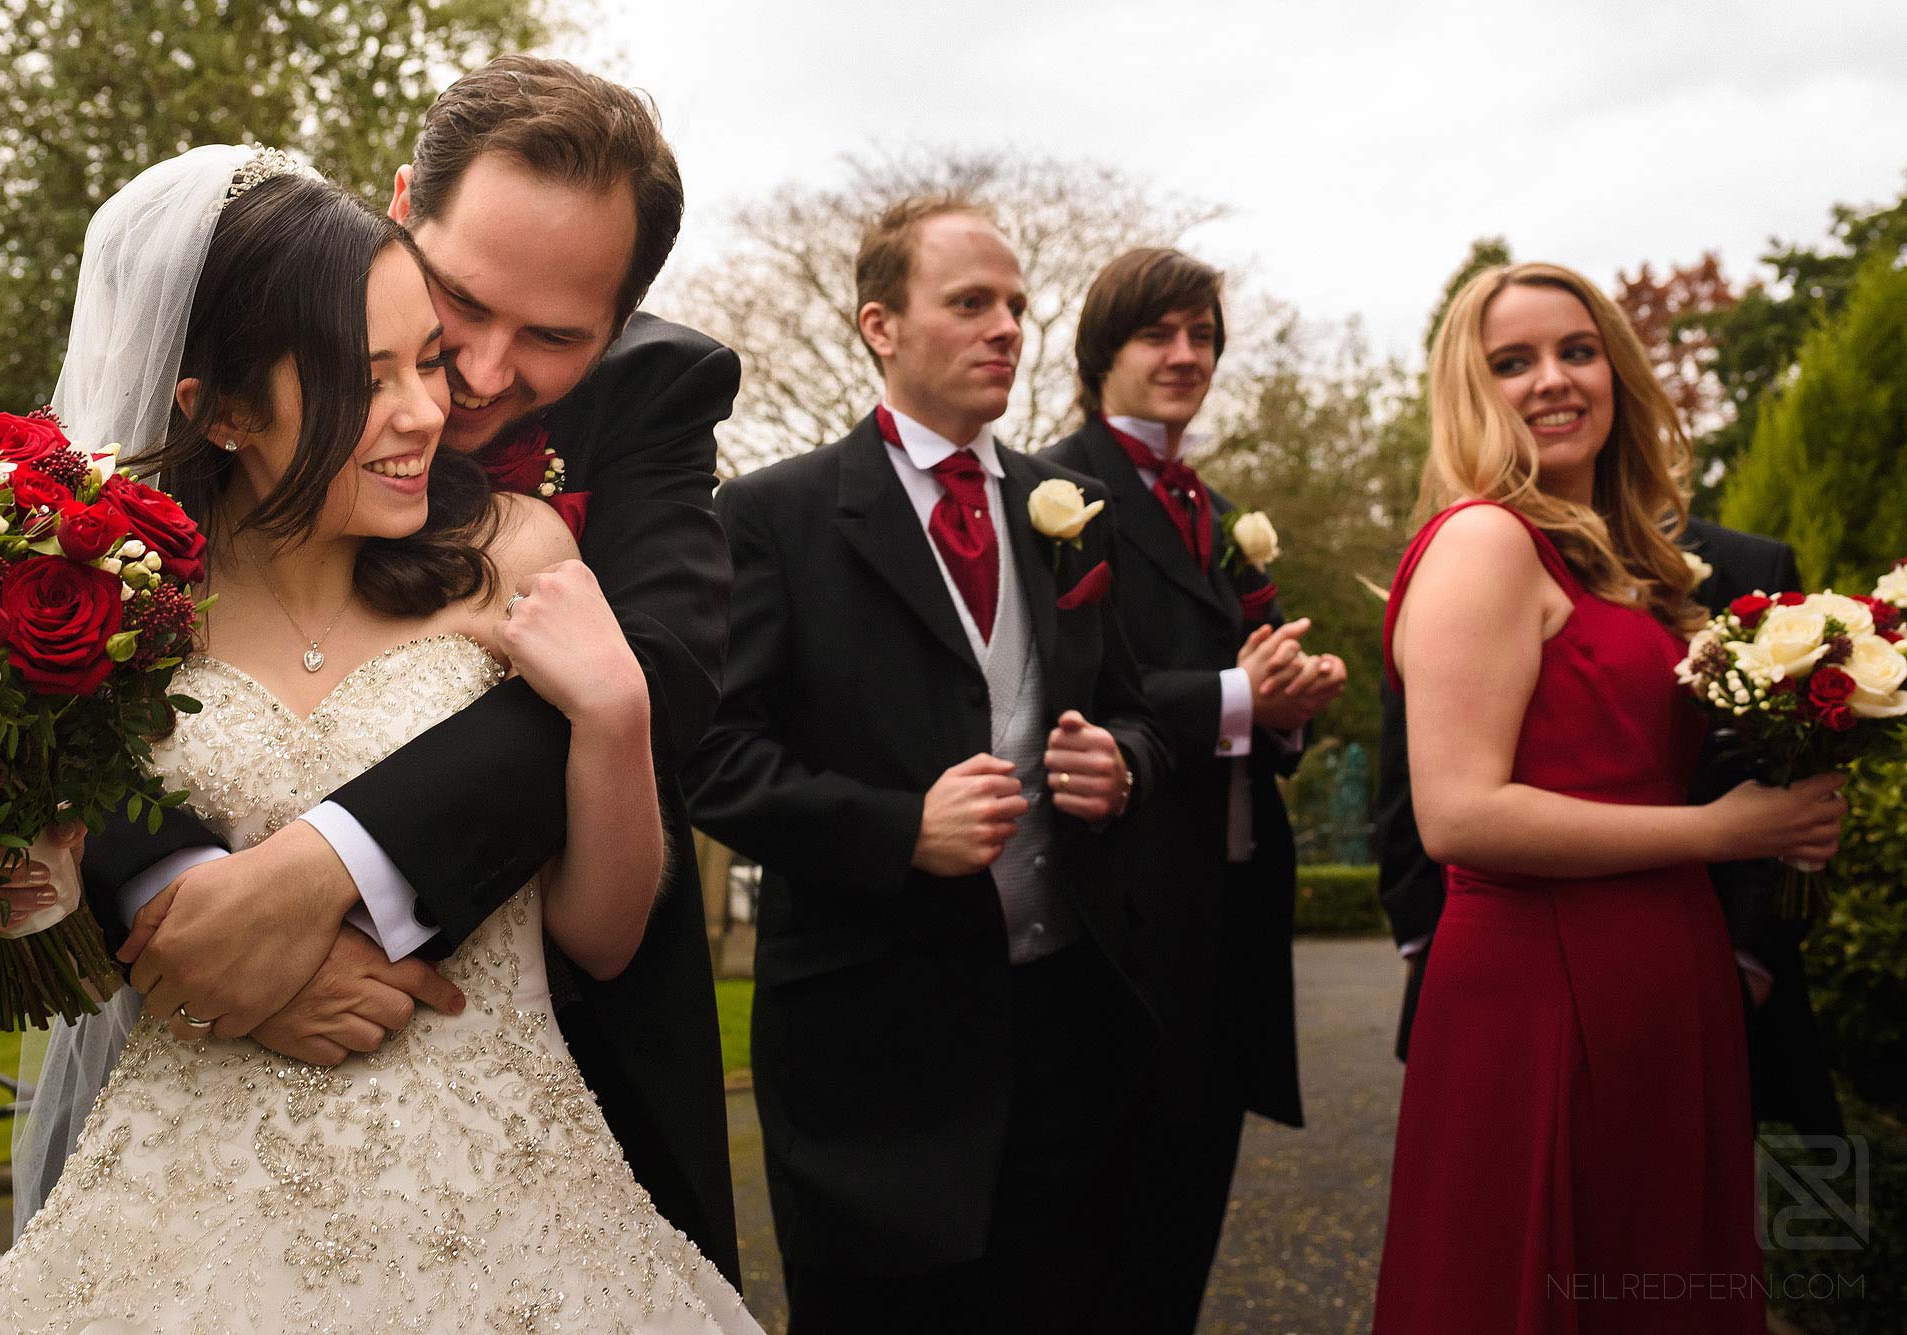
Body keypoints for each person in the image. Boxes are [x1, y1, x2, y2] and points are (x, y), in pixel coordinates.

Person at [0, 147, 760, 1334]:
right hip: (184, 1205)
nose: (448, 399)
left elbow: (600, 926)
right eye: (380, 369)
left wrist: (618, 711)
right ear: (218, 409)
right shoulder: (116, 598)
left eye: (423, 362)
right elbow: (55, 890)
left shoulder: (518, 549)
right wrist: (206, 942)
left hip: (500, 1196)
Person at [683, 197, 1169, 1334]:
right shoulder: (770, 516)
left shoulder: (1073, 512)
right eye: (969, 304)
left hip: (1066, 1030)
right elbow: (712, 760)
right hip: (871, 1059)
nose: (1006, 327)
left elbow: (1138, 716)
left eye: (1014, 306)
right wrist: (900, 831)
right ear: (879, 326)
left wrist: (1124, 764)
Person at [1370, 260, 1846, 1334]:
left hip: (1663, 978)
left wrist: (1798, 789)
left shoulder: (1633, 562)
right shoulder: (1485, 541)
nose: (1552, 379)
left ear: (1615, 371)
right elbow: (1456, 814)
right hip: (1539, 987)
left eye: (1575, 351)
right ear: (1468, 391)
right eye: (1511, 361)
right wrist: (1723, 833)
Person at [1041, 247, 1345, 1334]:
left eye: (1201, 336)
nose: (1184, 356)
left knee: (1186, 1225)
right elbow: (1067, 689)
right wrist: (1231, 694)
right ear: (1098, 354)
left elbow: (1244, 708)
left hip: (1230, 914)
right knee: (1097, 1240)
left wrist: (1286, 711)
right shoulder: (1054, 495)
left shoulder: (1214, 510)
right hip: (1120, 915)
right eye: (1156, 335)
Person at [1377, 538, 1844, 1136]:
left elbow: (1775, 765)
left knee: (1780, 1195)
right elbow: (1425, 786)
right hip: (1534, 965)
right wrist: (1423, 940)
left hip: (1706, 964)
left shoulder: (1749, 562)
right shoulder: (1480, 547)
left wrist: (1752, 958)